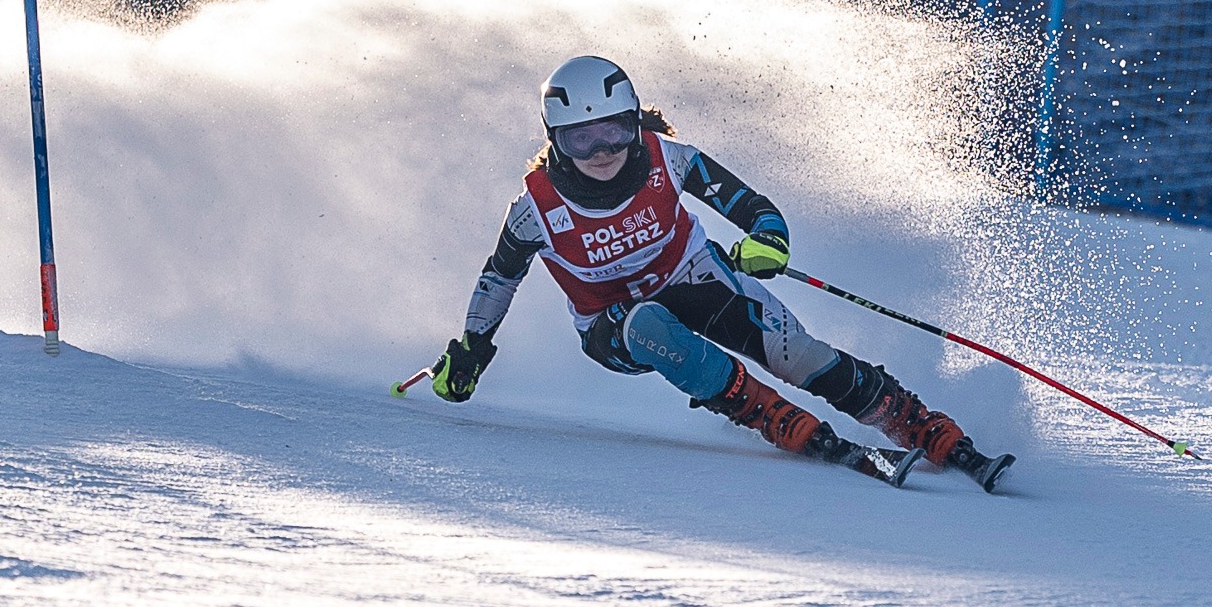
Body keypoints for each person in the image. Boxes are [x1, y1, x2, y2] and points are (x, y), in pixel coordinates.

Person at [427, 55, 1013, 492]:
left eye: (614, 129)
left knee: (797, 354)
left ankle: (917, 425)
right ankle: (769, 415)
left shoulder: (668, 159)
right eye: (582, 137)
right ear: (555, 139)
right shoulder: (537, 209)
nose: (601, 149)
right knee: (649, 323)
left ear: (635, 123)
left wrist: (767, 240)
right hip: (614, 330)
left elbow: (753, 208)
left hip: (695, 280)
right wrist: (473, 349)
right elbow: (498, 278)